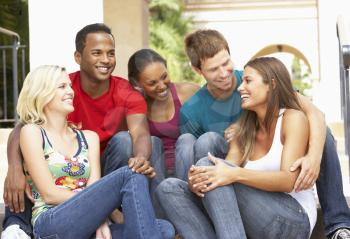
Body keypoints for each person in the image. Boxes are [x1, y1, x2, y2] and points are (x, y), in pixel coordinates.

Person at [174, 29, 350, 239]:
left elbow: (316, 114)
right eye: (214, 69)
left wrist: (313, 157)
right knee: (202, 147)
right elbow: (219, 161)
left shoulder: (257, 79)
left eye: (226, 63)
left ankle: (338, 222)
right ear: (197, 70)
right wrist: (198, 182)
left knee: (323, 133)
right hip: (230, 160)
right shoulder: (192, 111)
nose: (224, 74)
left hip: (263, 184)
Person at [1, 23, 167, 238]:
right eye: (97, 53)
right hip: (59, 210)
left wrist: (141, 158)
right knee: (129, 176)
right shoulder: (59, 94)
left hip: (97, 176)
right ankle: (16, 227)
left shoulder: (111, 107)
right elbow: (25, 127)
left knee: (164, 227)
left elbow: (141, 132)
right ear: (78, 57)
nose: (106, 60)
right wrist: (14, 167)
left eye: (111, 53)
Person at [157, 56, 317, 239]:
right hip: (254, 224)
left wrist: (234, 174)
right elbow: (226, 170)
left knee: (213, 168)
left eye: (248, 81)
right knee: (169, 188)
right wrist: (198, 185)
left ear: (271, 84)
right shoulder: (244, 129)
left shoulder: (292, 118)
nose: (240, 87)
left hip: (293, 221)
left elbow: (288, 181)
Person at [18, 65, 174, 239]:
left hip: (88, 226)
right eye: (62, 87)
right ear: (42, 92)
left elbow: (93, 189)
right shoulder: (32, 132)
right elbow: (49, 194)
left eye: (69, 85)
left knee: (163, 228)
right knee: (131, 174)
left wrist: (98, 216)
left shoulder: (88, 138)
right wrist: (99, 214)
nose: (70, 91)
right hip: (52, 222)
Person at [127, 48, 200, 181]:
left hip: (189, 169)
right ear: (137, 83)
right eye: (152, 83)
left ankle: (184, 190)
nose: (161, 86)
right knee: (153, 142)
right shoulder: (136, 106)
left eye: (164, 77)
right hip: (156, 173)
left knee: (187, 139)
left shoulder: (188, 92)